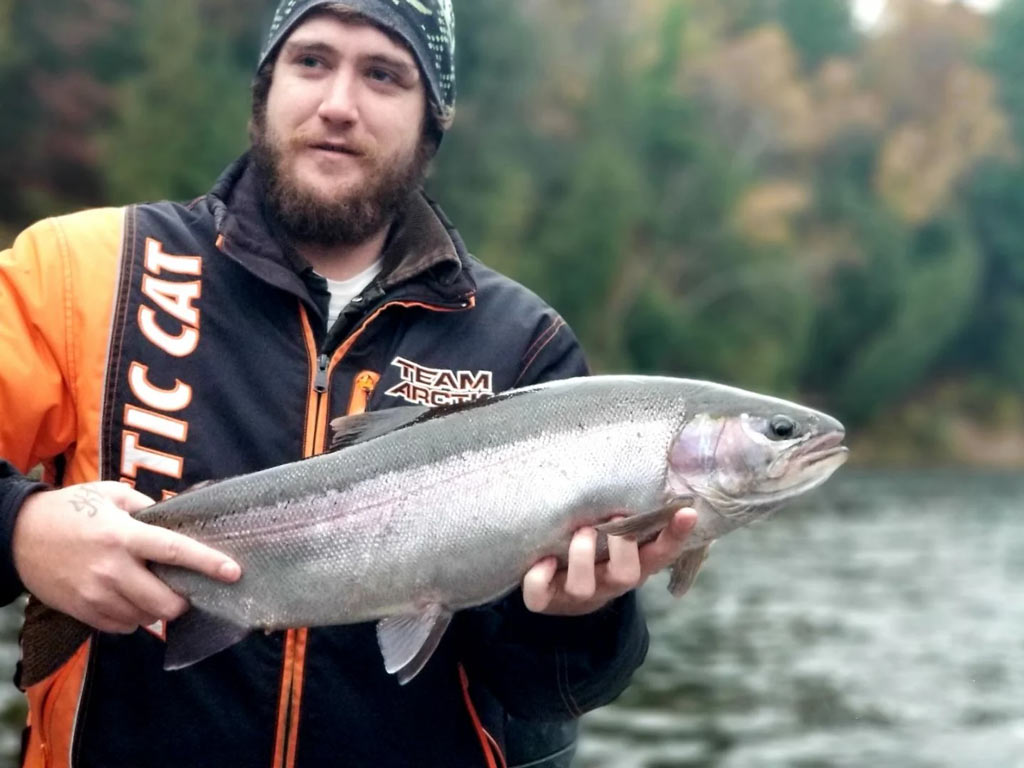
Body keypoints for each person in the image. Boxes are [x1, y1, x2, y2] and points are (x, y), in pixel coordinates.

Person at [0, 1, 700, 766]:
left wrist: (582, 615)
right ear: (264, 90)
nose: (339, 104)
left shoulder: (523, 344)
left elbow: (543, 693)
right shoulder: (82, 270)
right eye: (311, 61)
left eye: (383, 75)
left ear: (434, 120)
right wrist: (20, 531)